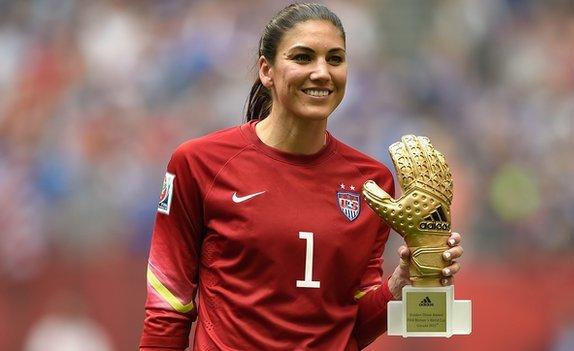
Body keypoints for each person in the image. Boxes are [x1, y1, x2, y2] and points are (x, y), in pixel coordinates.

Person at [140, 3, 463, 350]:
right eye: (303, 57)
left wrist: (401, 282)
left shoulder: (371, 182)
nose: (322, 72)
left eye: (335, 59)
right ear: (267, 70)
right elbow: (167, 308)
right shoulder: (199, 163)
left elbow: (352, 326)